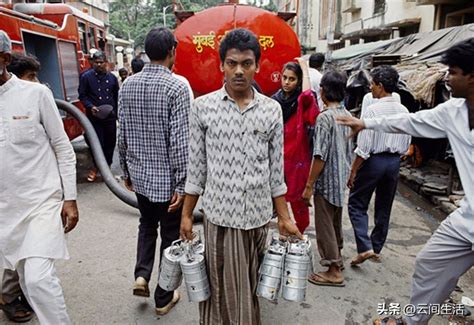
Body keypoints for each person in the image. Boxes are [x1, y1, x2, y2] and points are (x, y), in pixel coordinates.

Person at [337, 38, 474, 324]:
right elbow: (411, 122)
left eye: (453, 72)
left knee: (363, 204)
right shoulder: (453, 111)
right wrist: (365, 123)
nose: (447, 78)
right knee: (428, 262)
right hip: (467, 218)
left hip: (378, 163)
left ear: (472, 77)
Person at [180, 28, 302, 324]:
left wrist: (284, 217)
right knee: (221, 292)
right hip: (221, 219)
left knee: (253, 288)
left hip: (259, 219)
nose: (238, 71)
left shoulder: (271, 110)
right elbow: (196, 168)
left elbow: (276, 172)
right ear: (221, 65)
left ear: (257, 66)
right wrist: (186, 215)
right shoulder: (202, 108)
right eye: (232, 63)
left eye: (246, 63)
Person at [0, 30, 78, 324]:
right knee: (25, 279)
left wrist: (69, 198)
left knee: (37, 281)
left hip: (41, 204)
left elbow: (63, 147)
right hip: (5, 211)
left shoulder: (36, 94)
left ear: (5, 59)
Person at [118, 27, 190, 316]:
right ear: (172, 51)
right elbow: (180, 142)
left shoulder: (128, 85)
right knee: (170, 236)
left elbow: (122, 135)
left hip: (141, 178)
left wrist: (125, 171)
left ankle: (141, 275)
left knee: (147, 225)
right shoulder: (178, 87)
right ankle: (163, 296)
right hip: (168, 183)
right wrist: (183, 184)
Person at [347, 66, 411, 266]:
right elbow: (406, 145)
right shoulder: (404, 111)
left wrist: (353, 171)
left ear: (380, 86)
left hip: (373, 161)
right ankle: (376, 247)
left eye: (372, 84)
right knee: (384, 206)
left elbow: (364, 147)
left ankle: (365, 247)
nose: (370, 88)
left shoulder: (373, 110)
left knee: (357, 204)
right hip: (393, 162)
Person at [0, 52, 42, 323]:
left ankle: (27, 292)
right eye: (31, 76)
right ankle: (7, 295)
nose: (36, 82)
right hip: (10, 194)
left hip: (30, 188)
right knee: (15, 248)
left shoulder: (33, 97)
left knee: (32, 248)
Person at [301, 70, 353, 287]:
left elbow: (319, 155)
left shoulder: (324, 118)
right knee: (334, 222)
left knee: (325, 225)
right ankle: (337, 260)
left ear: (323, 91)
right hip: (340, 178)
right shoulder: (346, 114)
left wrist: (309, 185)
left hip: (327, 179)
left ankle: (333, 269)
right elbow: (350, 149)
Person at [271, 60, 319, 233]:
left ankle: (299, 235)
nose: (286, 82)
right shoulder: (274, 101)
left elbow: (308, 97)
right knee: (278, 200)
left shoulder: (301, 101)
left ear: (298, 81)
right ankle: (284, 234)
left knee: (299, 203)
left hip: (297, 158)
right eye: (284, 77)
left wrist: (305, 69)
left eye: (292, 79)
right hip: (277, 158)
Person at [78, 50, 119, 182]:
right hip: (94, 118)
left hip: (110, 117)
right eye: (97, 62)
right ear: (92, 63)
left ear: (106, 63)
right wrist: (91, 106)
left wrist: (118, 115)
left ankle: (107, 168)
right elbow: (82, 96)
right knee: (97, 144)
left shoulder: (112, 78)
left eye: (102, 62)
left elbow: (117, 97)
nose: (99, 65)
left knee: (110, 143)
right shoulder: (86, 77)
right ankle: (95, 168)